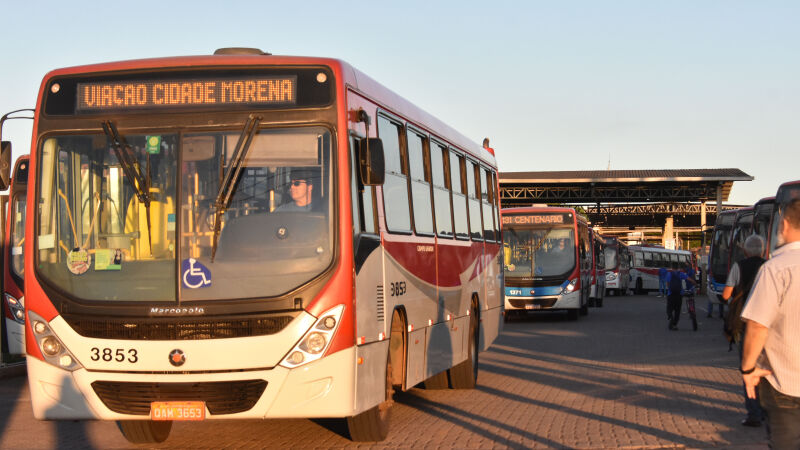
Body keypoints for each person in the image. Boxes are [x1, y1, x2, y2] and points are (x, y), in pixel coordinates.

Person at [741, 199, 800, 449]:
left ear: (784, 224)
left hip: (784, 382)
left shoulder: (776, 268)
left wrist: (747, 369)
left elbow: (757, 327)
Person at [721, 234, 767, 427]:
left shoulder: (738, 267)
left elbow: (726, 295)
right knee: (767, 368)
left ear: (746, 251)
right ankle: (770, 410)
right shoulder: (769, 266)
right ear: (763, 250)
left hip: (745, 323)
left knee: (748, 367)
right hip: (767, 323)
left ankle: (754, 414)